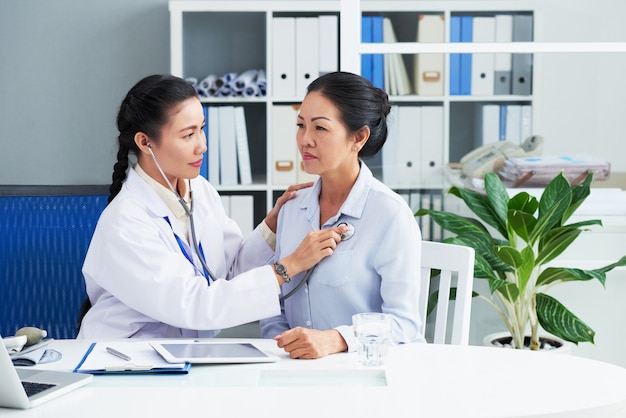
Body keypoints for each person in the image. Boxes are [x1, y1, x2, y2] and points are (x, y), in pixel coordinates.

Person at [78, 74, 347, 339]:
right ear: (145, 142)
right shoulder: (125, 222)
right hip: (123, 358)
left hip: (180, 355)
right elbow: (196, 305)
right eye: (188, 135)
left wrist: (271, 227)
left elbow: (228, 274)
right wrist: (289, 266)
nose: (202, 146)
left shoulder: (200, 191)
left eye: (202, 129)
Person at [260, 71, 425, 359]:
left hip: (368, 371)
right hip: (295, 369)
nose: (305, 140)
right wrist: (282, 344)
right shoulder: (292, 208)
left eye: (320, 128)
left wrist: (336, 340)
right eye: (301, 125)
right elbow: (276, 305)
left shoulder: (389, 214)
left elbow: (405, 325)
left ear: (358, 137)